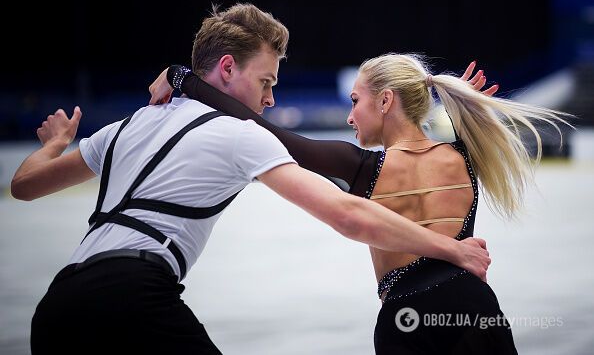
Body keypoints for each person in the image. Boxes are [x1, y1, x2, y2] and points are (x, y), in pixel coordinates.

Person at [11, 3, 491, 355]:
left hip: (57, 310)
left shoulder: (127, 125)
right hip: (133, 297)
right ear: (226, 69)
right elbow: (346, 213)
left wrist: (54, 144)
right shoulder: (240, 135)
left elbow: (25, 186)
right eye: (266, 83)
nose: (269, 100)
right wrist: (453, 249)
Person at [152, 52, 569, 353]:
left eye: (356, 101)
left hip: (408, 319)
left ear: (385, 101)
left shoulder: (360, 167)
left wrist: (184, 78)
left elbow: (260, 129)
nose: (350, 117)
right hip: (476, 311)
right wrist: (467, 108)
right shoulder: (465, 156)